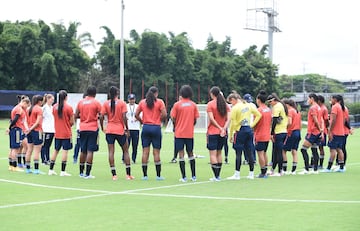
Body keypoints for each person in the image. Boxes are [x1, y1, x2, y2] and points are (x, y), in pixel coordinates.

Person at [100, 86, 134, 181]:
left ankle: (114, 175)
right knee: (126, 151)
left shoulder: (106, 103)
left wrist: (102, 127)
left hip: (110, 130)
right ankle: (128, 174)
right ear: (117, 93)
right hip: (119, 130)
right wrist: (127, 128)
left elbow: (101, 116)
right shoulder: (122, 103)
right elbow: (124, 117)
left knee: (111, 152)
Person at [227, 92, 261, 180]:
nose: (231, 104)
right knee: (249, 152)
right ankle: (251, 173)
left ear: (234, 100)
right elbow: (258, 115)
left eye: (231, 102)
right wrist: (252, 125)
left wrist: (230, 135)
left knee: (238, 152)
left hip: (240, 130)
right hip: (249, 130)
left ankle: (237, 174)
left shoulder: (235, 108)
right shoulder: (248, 105)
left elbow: (233, 123)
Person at [135, 86, 167, 180]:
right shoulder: (159, 102)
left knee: (145, 152)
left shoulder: (142, 102)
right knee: (156, 152)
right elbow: (164, 114)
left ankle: (145, 175)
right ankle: (158, 175)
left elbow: (136, 114)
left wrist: (142, 121)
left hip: (146, 127)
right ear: (156, 93)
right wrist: (159, 120)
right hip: (156, 127)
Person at [170, 85, 199, 182]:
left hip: (179, 133)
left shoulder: (177, 105)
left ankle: (184, 177)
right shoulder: (193, 105)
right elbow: (195, 119)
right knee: (190, 153)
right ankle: (194, 176)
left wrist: (176, 125)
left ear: (181, 93)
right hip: (189, 133)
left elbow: (173, 117)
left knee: (181, 154)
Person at [75, 86, 101, 179]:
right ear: (95, 93)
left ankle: (81, 172)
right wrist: (96, 118)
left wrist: (82, 118)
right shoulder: (96, 102)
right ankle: (88, 173)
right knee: (90, 151)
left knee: (83, 150)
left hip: (82, 128)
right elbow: (101, 114)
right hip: (92, 128)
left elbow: (76, 114)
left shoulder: (81, 102)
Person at [206, 86, 230, 181]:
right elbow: (229, 118)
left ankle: (215, 176)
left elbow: (212, 119)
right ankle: (218, 175)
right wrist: (224, 128)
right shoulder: (225, 105)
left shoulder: (210, 104)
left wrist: (219, 127)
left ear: (212, 94)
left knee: (212, 154)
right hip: (223, 133)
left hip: (213, 132)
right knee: (219, 153)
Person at [48, 90, 74, 176]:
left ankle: (51, 169)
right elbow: (72, 122)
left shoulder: (54, 107)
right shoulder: (69, 107)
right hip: (66, 133)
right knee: (65, 151)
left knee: (55, 151)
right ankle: (63, 171)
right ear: (66, 97)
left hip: (57, 133)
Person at [298, 93, 323, 175]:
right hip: (318, 132)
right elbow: (321, 120)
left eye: (308, 99)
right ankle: (315, 169)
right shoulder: (319, 107)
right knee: (314, 149)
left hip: (313, 132)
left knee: (303, 149)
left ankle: (306, 169)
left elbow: (316, 120)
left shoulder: (313, 108)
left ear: (312, 99)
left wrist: (319, 129)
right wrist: (321, 131)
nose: (307, 101)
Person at [321, 95, 346, 173]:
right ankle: (341, 167)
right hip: (341, 132)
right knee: (339, 149)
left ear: (335, 99)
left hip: (335, 132)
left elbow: (333, 120)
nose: (330, 100)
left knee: (332, 150)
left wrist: (330, 131)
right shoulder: (342, 107)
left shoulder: (335, 107)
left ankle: (328, 167)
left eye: (331, 99)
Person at [7, 96, 30, 172]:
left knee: (12, 148)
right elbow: (15, 120)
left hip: (14, 129)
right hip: (16, 129)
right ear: (24, 103)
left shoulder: (16, 108)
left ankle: (10, 165)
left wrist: (10, 128)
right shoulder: (19, 109)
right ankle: (14, 166)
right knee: (16, 149)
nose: (26, 107)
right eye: (27, 105)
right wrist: (9, 128)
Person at [267, 93, 288, 176]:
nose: (270, 104)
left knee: (278, 152)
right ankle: (273, 170)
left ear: (273, 100)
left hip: (278, 132)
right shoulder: (281, 105)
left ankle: (280, 171)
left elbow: (275, 121)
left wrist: (271, 133)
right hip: (283, 131)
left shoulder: (276, 107)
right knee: (275, 151)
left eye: (270, 102)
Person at [253, 90, 272, 178]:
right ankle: (266, 170)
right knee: (264, 153)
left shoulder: (258, 110)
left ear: (258, 100)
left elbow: (255, 123)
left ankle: (263, 172)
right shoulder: (268, 110)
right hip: (267, 134)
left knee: (260, 153)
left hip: (260, 134)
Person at [25, 95, 44, 174]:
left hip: (29, 131)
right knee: (37, 150)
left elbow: (25, 120)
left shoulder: (28, 109)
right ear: (39, 101)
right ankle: (36, 169)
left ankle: (28, 169)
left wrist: (28, 129)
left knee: (29, 150)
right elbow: (38, 122)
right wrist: (31, 128)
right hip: (36, 131)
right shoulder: (39, 109)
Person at [282, 99, 301, 175]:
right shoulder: (297, 111)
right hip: (298, 132)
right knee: (294, 151)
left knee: (283, 150)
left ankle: (284, 169)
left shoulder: (290, 111)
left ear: (287, 105)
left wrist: (284, 126)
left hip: (291, 132)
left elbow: (289, 122)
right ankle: (293, 170)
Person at [126, 93, 141, 164]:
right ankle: (124, 158)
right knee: (126, 145)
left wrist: (137, 119)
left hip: (136, 128)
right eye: (130, 99)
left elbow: (141, 116)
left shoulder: (138, 107)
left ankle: (133, 159)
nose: (131, 101)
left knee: (135, 145)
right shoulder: (125, 106)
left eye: (133, 99)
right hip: (128, 128)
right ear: (128, 99)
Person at [243, 93, 257, 164]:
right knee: (250, 143)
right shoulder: (252, 105)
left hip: (248, 126)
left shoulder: (248, 105)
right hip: (250, 126)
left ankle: (249, 159)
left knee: (247, 144)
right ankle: (252, 159)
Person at [41, 93, 55, 165]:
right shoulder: (44, 108)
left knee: (49, 145)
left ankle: (48, 159)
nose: (53, 101)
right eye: (52, 99)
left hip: (52, 129)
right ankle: (44, 160)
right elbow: (41, 118)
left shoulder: (52, 107)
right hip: (46, 129)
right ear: (48, 99)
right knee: (44, 145)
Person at [317, 94, 329, 169]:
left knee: (321, 147)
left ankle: (320, 164)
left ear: (319, 101)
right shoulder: (318, 108)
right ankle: (313, 163)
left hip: (322, 130)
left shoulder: (324, 109)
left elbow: (326, 120)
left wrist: (326, 128)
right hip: (317, 130)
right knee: (315, 146)